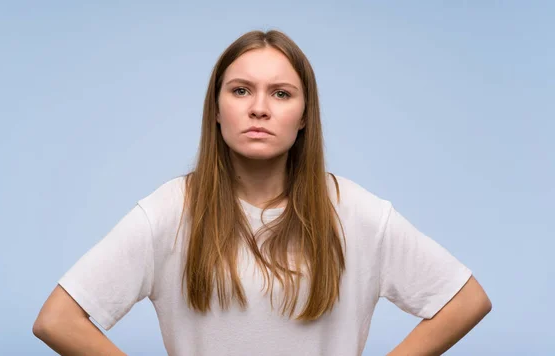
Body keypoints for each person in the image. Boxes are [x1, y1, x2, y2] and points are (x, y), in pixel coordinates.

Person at [33, 30, 491, 355]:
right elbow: (56, 321)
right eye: (240, 90)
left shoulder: (355, 212)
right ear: (216, 109)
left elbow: (467, 300)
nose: (258, 108)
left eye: (281, 94)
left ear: (305, 114)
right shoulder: (169, 212)